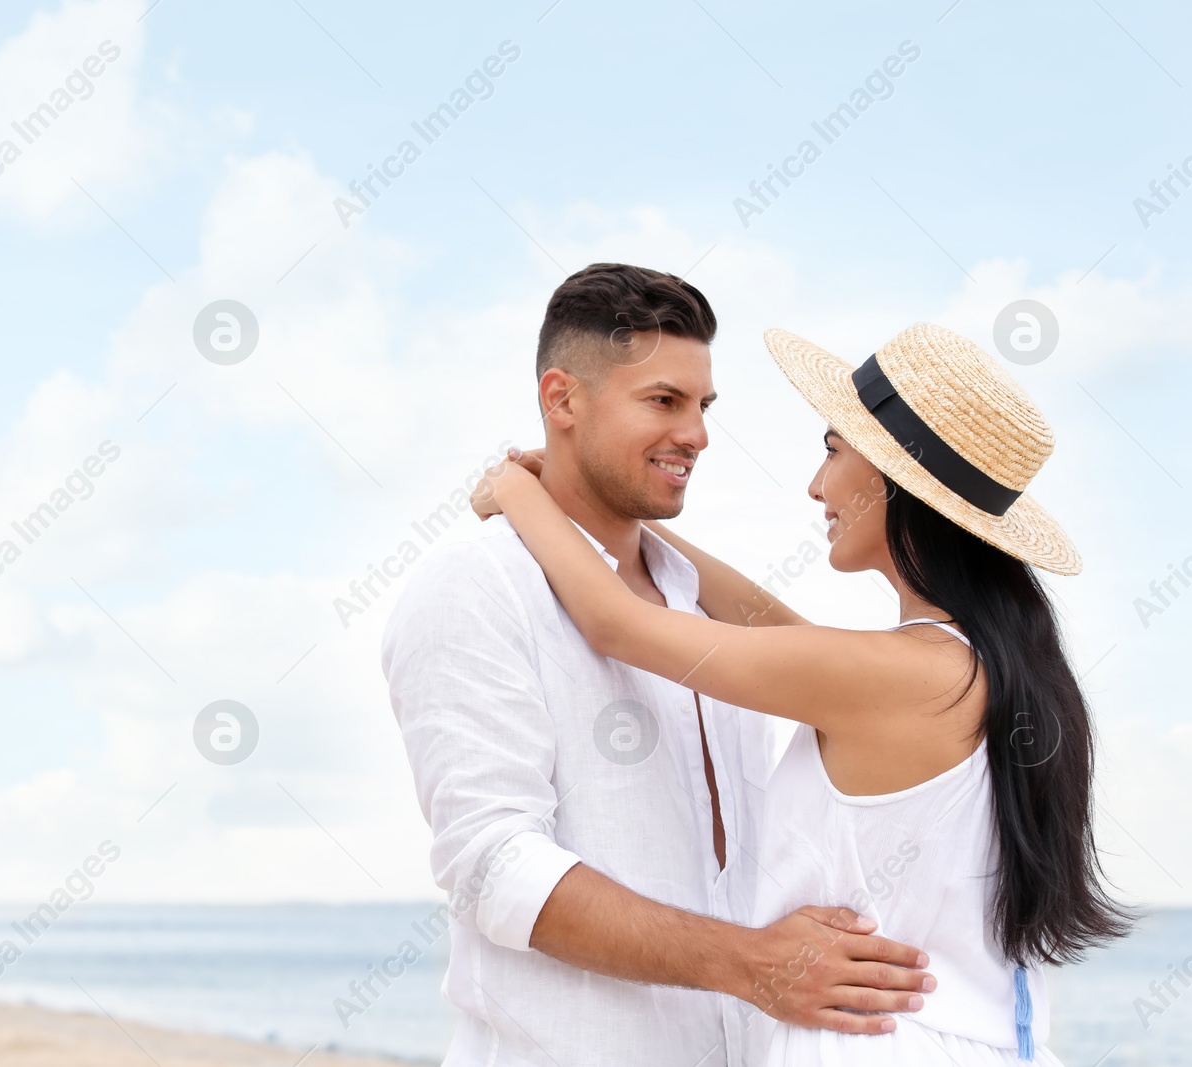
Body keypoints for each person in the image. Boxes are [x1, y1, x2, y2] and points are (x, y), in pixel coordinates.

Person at [472, 320, 1132, 1063]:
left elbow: (619, 624)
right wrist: (609, 516)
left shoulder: (897, 674)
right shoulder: (972, 666)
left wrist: (519, 492)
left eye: (833, 450)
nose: (817, 485)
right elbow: (772, 626)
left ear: (889, 477)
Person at [381, 264, 934, 1067]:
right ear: (561, 400)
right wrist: (752, 963)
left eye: (703, 406)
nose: (699, 434)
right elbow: (491, 865)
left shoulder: (701, 604)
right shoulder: (478, 583)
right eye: (664, 401)